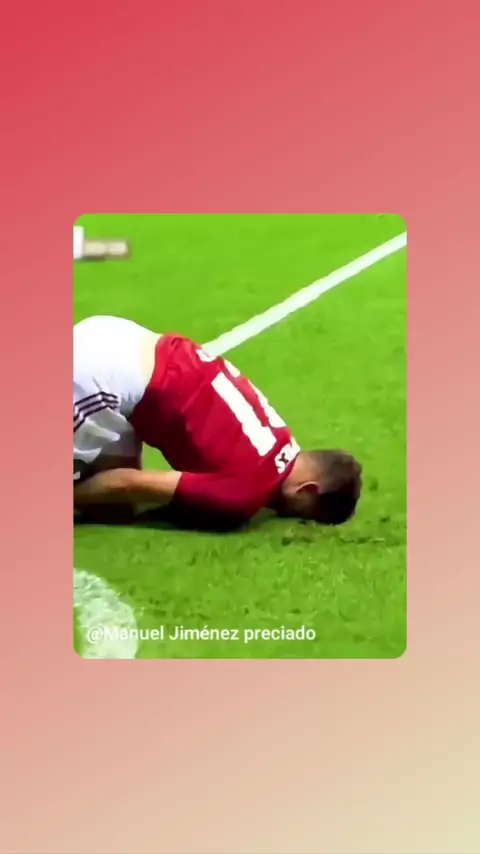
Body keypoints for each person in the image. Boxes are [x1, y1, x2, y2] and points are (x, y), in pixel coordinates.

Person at [74, 316, 362, 529]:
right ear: (307, 490)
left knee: (113, 511)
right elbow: (126, 483)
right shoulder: (245, 493)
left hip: (123, 337)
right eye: (301, 514)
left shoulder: (280, 435)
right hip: (100, 377)